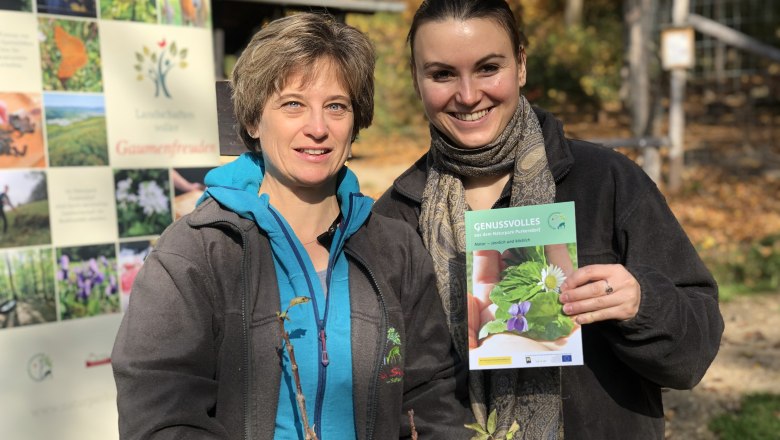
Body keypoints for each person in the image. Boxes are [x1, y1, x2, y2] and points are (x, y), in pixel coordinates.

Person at [373, 1, 724, 439]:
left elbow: (693, 356)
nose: (467, 95)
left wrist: (641, 304)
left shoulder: (607, 183)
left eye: (487, 68)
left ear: (521, 65)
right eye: (442, 74)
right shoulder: (393, 217)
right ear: (417, 80)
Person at [112, 13, 471, 440]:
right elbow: (160, 415)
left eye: (336, 106)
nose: (317, 128)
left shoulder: (395, 248)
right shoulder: (197, 253)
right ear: (251, 121)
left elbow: (430, 397)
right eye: (293, 104)